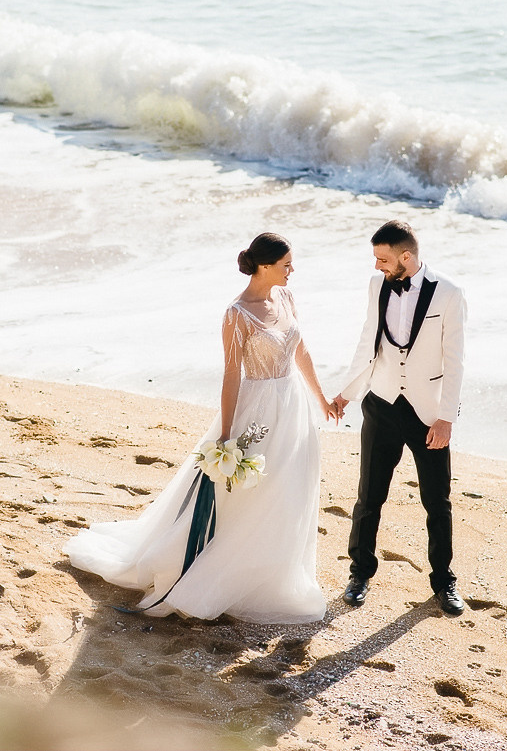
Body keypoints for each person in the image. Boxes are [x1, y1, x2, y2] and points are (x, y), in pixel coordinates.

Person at [65, 233, 338, 623]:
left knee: (289, 486)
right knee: (249, 491)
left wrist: (321, 398)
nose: (292, 270)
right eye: (286, 265)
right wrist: (227, 436)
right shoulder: (237, 314)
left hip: (293, 406)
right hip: (256, 410)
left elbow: (301, 350)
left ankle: (273, 572)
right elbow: (231, 376)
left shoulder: (287, 298)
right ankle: (219, 571)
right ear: (264, 266)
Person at [331, 220, 467, 615]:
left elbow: (455, 361)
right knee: (369, 496)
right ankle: (360, 573)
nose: (377, 266)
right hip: (382, 404)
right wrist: (347, 393)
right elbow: (366, 343)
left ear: (406, 257)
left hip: (428, 414)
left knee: (437, 502)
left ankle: (444, 582)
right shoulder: (377, 287)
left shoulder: (450, 293)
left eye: (383, 259)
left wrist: (446, 418)